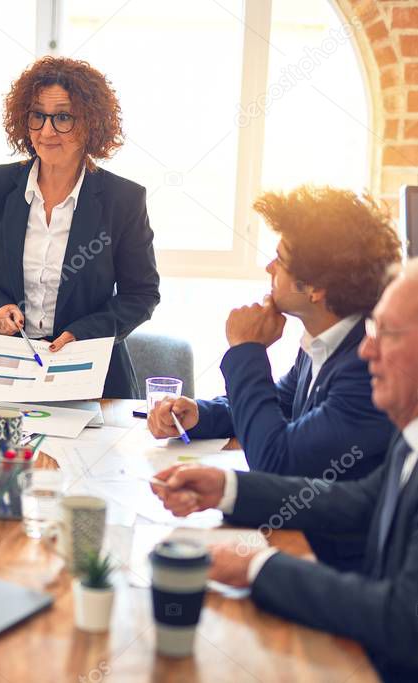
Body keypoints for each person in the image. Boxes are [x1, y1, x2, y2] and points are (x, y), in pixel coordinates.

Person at [152, 256, 418, 681]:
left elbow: (409, 621)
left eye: (386, 333)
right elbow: (362, 501)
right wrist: (227, 487)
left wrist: (256, 567)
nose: (365, 349)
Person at [148, 186, 400, 569]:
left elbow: (275, 460)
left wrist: (246, 350)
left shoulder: (365, 368)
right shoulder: (325, 340)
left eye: (279, 260)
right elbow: (276, 405)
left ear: (316, 289)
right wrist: (198, 414)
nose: (269, 268)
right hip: (292, 532)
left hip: (333, 563)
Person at [0, 56, 160, 398]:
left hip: (90, 371)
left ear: (91, 123)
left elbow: (142, 294)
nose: (47, 131)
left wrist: (83, 333)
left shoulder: (123, 199)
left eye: (63, 117)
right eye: (37, 116)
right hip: (3, 363)